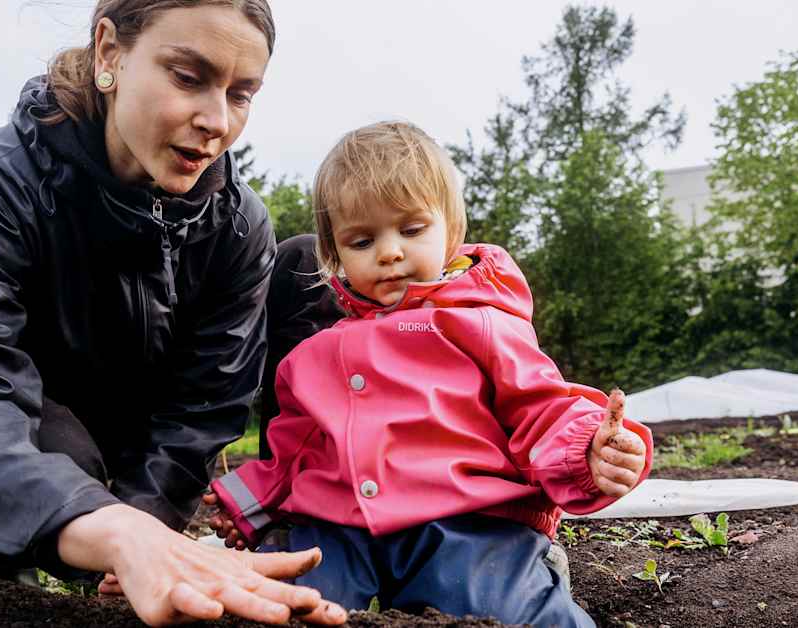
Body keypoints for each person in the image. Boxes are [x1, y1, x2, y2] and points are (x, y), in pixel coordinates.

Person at [0, 1, 347, 625]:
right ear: (109, 53)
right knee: (53, 463)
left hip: (134, 443)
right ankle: (8, 562)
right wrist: (103, 526)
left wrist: (147, 527)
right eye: (187, 77)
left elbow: (205, 404)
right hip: (34, 438)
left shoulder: (238, 225)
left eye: (241, 93)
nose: (215, 121)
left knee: (308, 272)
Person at [205, 121, 654, 626]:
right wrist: (248, 504)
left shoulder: (479, 323)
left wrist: (586, 448)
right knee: (293, 601)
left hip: (467, 522)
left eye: (411, 229)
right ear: (334, 256)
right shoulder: (314, 354)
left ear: (452, 232)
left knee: (505, 608)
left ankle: (537, 579)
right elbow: (296, 447)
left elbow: (541, 405)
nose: (389, 251)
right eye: (361, 240)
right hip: (342, 529)